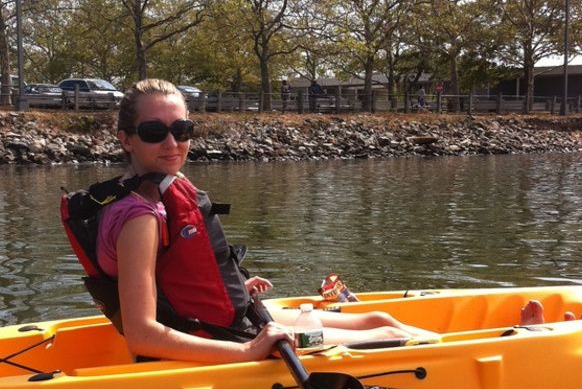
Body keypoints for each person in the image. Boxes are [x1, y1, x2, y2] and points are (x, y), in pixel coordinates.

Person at [78, 78, 440, 364]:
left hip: (223, 322)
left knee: (377, 319)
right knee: (388, 336)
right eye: (155, 132)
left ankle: (459, 342)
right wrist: (249, 352)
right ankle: (454, 354)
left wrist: (228, 285)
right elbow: (143, 335)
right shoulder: (139, 216)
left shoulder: (149, 190)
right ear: (126, 139)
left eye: (182, 129)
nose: (172, 143)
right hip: (222, 343)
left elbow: (171, 278)